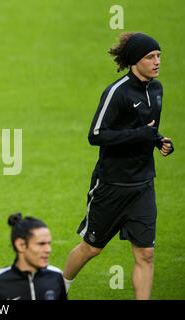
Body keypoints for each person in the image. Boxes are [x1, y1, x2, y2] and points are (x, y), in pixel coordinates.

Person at [63, 32, 174, 300]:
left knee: (146, 253)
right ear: (136, 60)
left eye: (159, 56)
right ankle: (57, 289)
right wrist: (143, 135)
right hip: (111, 185)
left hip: (143, 184)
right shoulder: (117, 92)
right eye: (150, 57)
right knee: (91, 248)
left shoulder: (156, 89)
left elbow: (147, 129)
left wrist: (159, 140)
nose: (157, 61)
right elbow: (96, 135)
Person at [0, 213, 66, 300]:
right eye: (41, 244)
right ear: (21, 245)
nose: (48, 249)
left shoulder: (56, 277)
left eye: (49, 243)